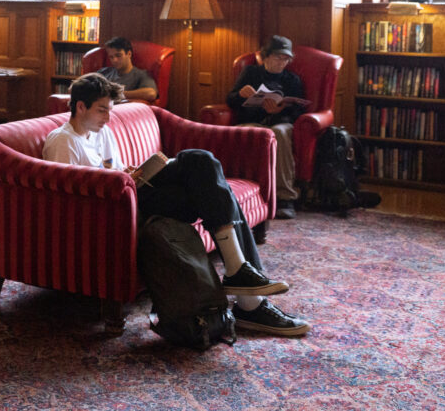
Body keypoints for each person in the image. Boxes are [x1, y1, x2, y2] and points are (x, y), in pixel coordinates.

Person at [43, 73, 309, 337]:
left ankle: (241, 276)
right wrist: (122, 180)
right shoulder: (63, 141)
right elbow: (70, 200)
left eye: (110, 110)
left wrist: (133, 173)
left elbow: (117, 169)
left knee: (204, 167)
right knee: (208, 178)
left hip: (133, 194)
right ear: (80, 106)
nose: (107, 118)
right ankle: (248, 299)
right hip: (117, 212)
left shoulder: (101, 132)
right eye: (102, 110)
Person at [226, 35, 307, 220]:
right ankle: (240, 194)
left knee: (278, 133)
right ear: (266, 56)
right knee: (249, 131)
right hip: (253, 121)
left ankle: (285, 198)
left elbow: (299, 110)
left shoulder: (292, 79)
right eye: (278, 57)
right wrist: (240, 95)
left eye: (286, 58)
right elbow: (230, 101)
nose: (282, 62)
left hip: (281, 123)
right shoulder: (250, 73)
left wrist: (279, 110)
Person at [96, 36, 158, 103]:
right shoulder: (104, 72)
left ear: (129, 54)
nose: (114, 60)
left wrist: (117, 93)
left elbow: (151, 94)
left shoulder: (141, 75)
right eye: (111, 57)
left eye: (118, 55)